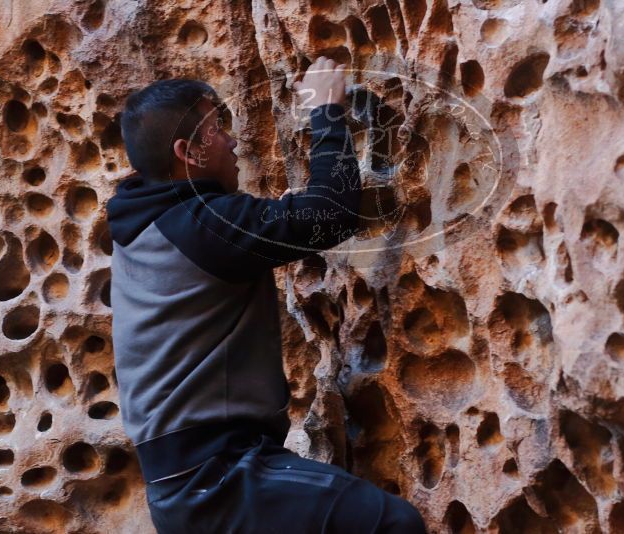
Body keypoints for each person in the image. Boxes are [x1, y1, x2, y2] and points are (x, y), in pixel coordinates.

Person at [106, 56, 426, 533]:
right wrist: (326, 110)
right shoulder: (200, 225)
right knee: (391, 524)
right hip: (218, 479)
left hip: (191, 483)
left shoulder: (150, 221)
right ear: (188, 151)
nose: (233, 140)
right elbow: (329, 213)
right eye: (218, 129)